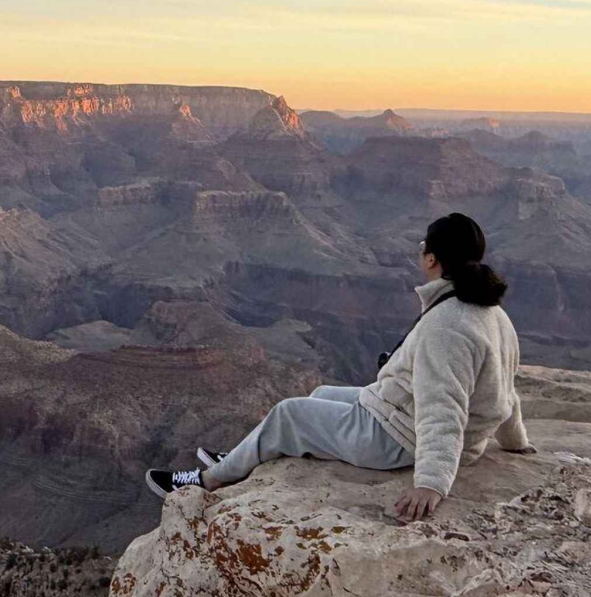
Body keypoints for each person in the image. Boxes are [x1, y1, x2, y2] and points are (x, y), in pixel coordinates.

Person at [145, 212, 536, 522]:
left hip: (399, 438)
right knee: (322, 394)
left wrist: (432, 483)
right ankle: (242, 456)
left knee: (289, 413)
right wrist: (514, 440)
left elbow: (442, 408)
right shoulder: (491, 312)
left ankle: (207, 480)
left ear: (431, 259)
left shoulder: (446, 326)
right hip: (400, 414)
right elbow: (505, 388)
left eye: (422, 248)